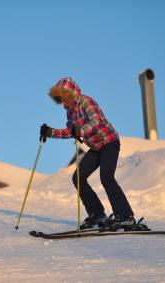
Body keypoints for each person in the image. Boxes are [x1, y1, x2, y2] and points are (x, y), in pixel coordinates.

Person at [40, 77, 136, 229]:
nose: (63, 102)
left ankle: (126, 216)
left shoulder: (86, 102)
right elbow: (70, 132)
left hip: (109, 142)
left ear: (70, 94)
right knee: (78, 177)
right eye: (60, 99)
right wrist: (51, 132)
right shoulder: (70, 111)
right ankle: (97, 214)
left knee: (106, 177)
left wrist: (81, 131)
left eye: (64, 98)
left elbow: (95, 121)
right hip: (97, 147)